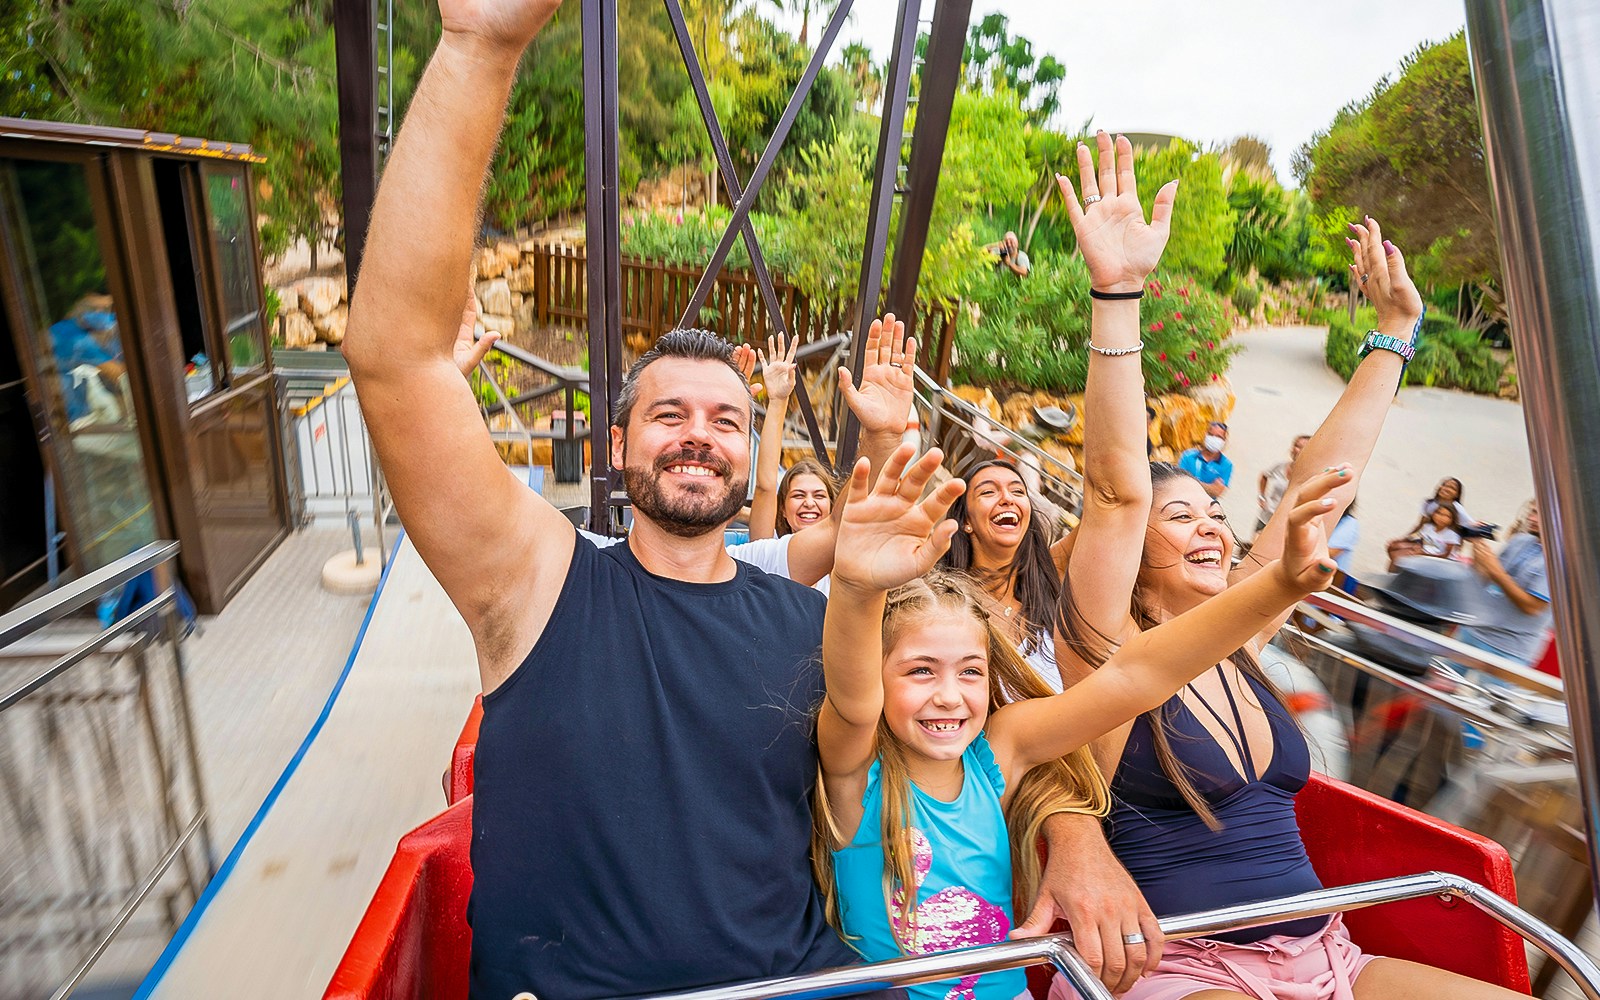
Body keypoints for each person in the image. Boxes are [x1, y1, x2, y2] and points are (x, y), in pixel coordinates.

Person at [342, 6, 1108, 996]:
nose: (698, 431)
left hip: (795, 981)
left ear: (753, 453)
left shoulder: (818, 621)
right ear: (615, 450)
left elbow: (977, 736)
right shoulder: (540, 582)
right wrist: (478, 46)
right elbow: (395, 359)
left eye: (725, 417)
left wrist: (1076, 836)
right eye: (667, 414)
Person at [1048, 131, 1521, 1000]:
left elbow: (1324, 488)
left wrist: (1395, 332)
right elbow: (1115, 492)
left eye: (1212, 514)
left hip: (1329, 953)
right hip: (1183, 967)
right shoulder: (1102, 651)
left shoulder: (1238, 638)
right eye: (1176, 516)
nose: (1209, 528)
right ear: (1127, 560)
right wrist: (1117, 293)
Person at [816, 443, 1343, 1000]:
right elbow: (851, 699)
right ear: (880, 675)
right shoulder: (854, 771)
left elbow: (1134, 678)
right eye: (921, 671)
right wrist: (855, 586)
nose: (949, 696)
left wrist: (1283, 584)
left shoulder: (1001, 748)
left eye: (970, 672)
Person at [939, 457, 1072, 691]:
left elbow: (1108, 503)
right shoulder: (943, 602)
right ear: (967, 521)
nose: (1007, 498)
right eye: (988, 492)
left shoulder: (1049, 579)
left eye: (1018, 491)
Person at [1456, 499, 1551, 667]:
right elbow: (1483, 578)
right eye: (1533, 512)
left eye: (1540, 514)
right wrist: (1478, 545)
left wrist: (1495, 570)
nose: (1532, 518)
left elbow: (1532, 607)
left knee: (1487, 695)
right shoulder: (1520, 540)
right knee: (1432, 689)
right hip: (1472, 632)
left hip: (1509, 651)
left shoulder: (1560, 561)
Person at [1257, 433, 1310, 533]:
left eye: (1302, 447)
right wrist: (1262, 497)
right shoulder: (1280, 466)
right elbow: (1264, 476)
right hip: (1265, 518)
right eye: (1296, 445)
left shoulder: (1308, 476)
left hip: (1283, 526)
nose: (1296, 450)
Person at [1177, 421, 1232, 498]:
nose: (1214, 439)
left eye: (1219, 437)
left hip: (1206, 508)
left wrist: (1191, 482)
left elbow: (1217, 492)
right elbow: (1180, 483)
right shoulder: (1188, 456)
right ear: (1205, 435)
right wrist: (1210, 487)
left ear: (1224, 441)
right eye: (1211, 434)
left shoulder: (1226, 465)